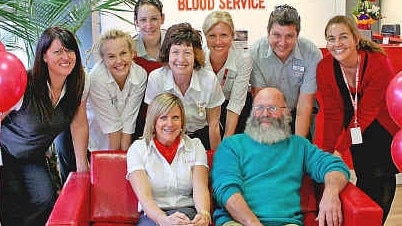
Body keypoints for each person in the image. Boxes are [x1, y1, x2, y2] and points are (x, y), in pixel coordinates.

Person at [211, 87, 350, 226]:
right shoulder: (231, 145)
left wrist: (331, 192)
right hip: (237, 222)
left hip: (286, 223)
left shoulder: (300, 146)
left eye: (272, 108)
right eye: (259, 108)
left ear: (286, 113)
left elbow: (335, 166)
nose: (265, 113)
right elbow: (225, 189)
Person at [0, 26, 89, 226]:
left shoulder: (78, 84)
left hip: (33, 155)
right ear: (45, 56)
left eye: (70, 50)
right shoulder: (24, 83)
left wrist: (82, 164)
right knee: (12, 205)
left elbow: (79, 123)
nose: (66, 56)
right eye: (58, 51)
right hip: (6, 152)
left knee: (45, 199)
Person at [314, 15, 400, 224]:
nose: (337, 44)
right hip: (355, 128)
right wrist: (327, 155)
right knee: (364, 175)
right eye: (331, 38)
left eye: (343, 37)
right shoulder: (325, 68)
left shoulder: (378, 62)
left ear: (356, 38)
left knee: (380, 176)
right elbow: (333, 114)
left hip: (381, 127)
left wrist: (340, 148)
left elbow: (368, 112)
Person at [127, 92, 211, 226]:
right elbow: (145, 198)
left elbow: (200, 188)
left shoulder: (196, 146)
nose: (170, 124)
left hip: (187, 212)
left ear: (182, 121)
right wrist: (163, 219)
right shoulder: (137, 149)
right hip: (153, 215)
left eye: (175, 117)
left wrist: (204, 214)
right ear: (154, 121)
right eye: (163, 118)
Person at [144, 22, 225, 150]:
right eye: (175, 52)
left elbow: (213, 125)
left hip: (200, 137)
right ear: (167, 54)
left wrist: (217, 160)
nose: (181, 59)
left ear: (196, 56)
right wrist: (147, 152)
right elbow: (151, 122)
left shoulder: (209, 80)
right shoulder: (156, 78)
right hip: (168, 136)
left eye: (187, 53)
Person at [250, 4, 322, 138]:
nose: (282, 43)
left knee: (299, 152)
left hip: (299, 110)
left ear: (297, 35)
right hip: (268, 111)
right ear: (268, 31)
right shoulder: (256, 52)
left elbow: (305, 105)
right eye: (277, 35)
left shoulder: (312, 53)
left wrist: (298, 146)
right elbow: (261, 101)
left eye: (289, 36)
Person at [87, 29, 147, 151]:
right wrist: (114, 160)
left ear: (132, 53)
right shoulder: (96, 79)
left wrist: (124, 158)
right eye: (111, 56)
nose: (119, 61)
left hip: (122, 137)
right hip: (97, 137)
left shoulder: (140, 75)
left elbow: (129, 119)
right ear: (103, 59)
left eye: (123, 53)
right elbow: (112, 125)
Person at [202, 11, 252, 137]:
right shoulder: (198, 58)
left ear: (232, 36)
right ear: (205, 37)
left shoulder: (243, 58)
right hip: (206, 107)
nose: (218, 41)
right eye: (212, 35)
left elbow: (236, 103)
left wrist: (227, 139)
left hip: (235, 106)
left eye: (224, 35)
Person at [132, 0, 165, 141]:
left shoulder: (174, 45)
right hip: (137, 118)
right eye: (143, 20)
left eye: (154, 19)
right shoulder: (128, 49)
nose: (149, 25)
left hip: (169, 116)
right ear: (136, 22)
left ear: (162, 19)